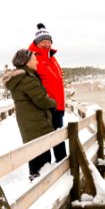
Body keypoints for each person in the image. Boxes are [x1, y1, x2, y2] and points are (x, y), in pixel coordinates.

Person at [1, 49, 57, 181]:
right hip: (36, 122)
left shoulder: (20, 78)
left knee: (33, 154)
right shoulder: (27, 79)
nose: (37, 61)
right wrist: (54, 103)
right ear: (27, 62)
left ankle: (35, 181)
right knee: (42, 156)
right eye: (34, 59)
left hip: (28, 121)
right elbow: (41, 100)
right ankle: (41, 186)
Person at [28, 23, 67, 162]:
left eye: (49, 41)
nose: (47, 44)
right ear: (37, 43)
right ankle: (51, 169)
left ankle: (62, 165)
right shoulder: (33, 58)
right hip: (47, 106)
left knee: (58, 136)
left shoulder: (51, 57)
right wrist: (46, 101)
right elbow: (31, 81)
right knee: (48, 139)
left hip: (58, 106)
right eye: (43, 42)